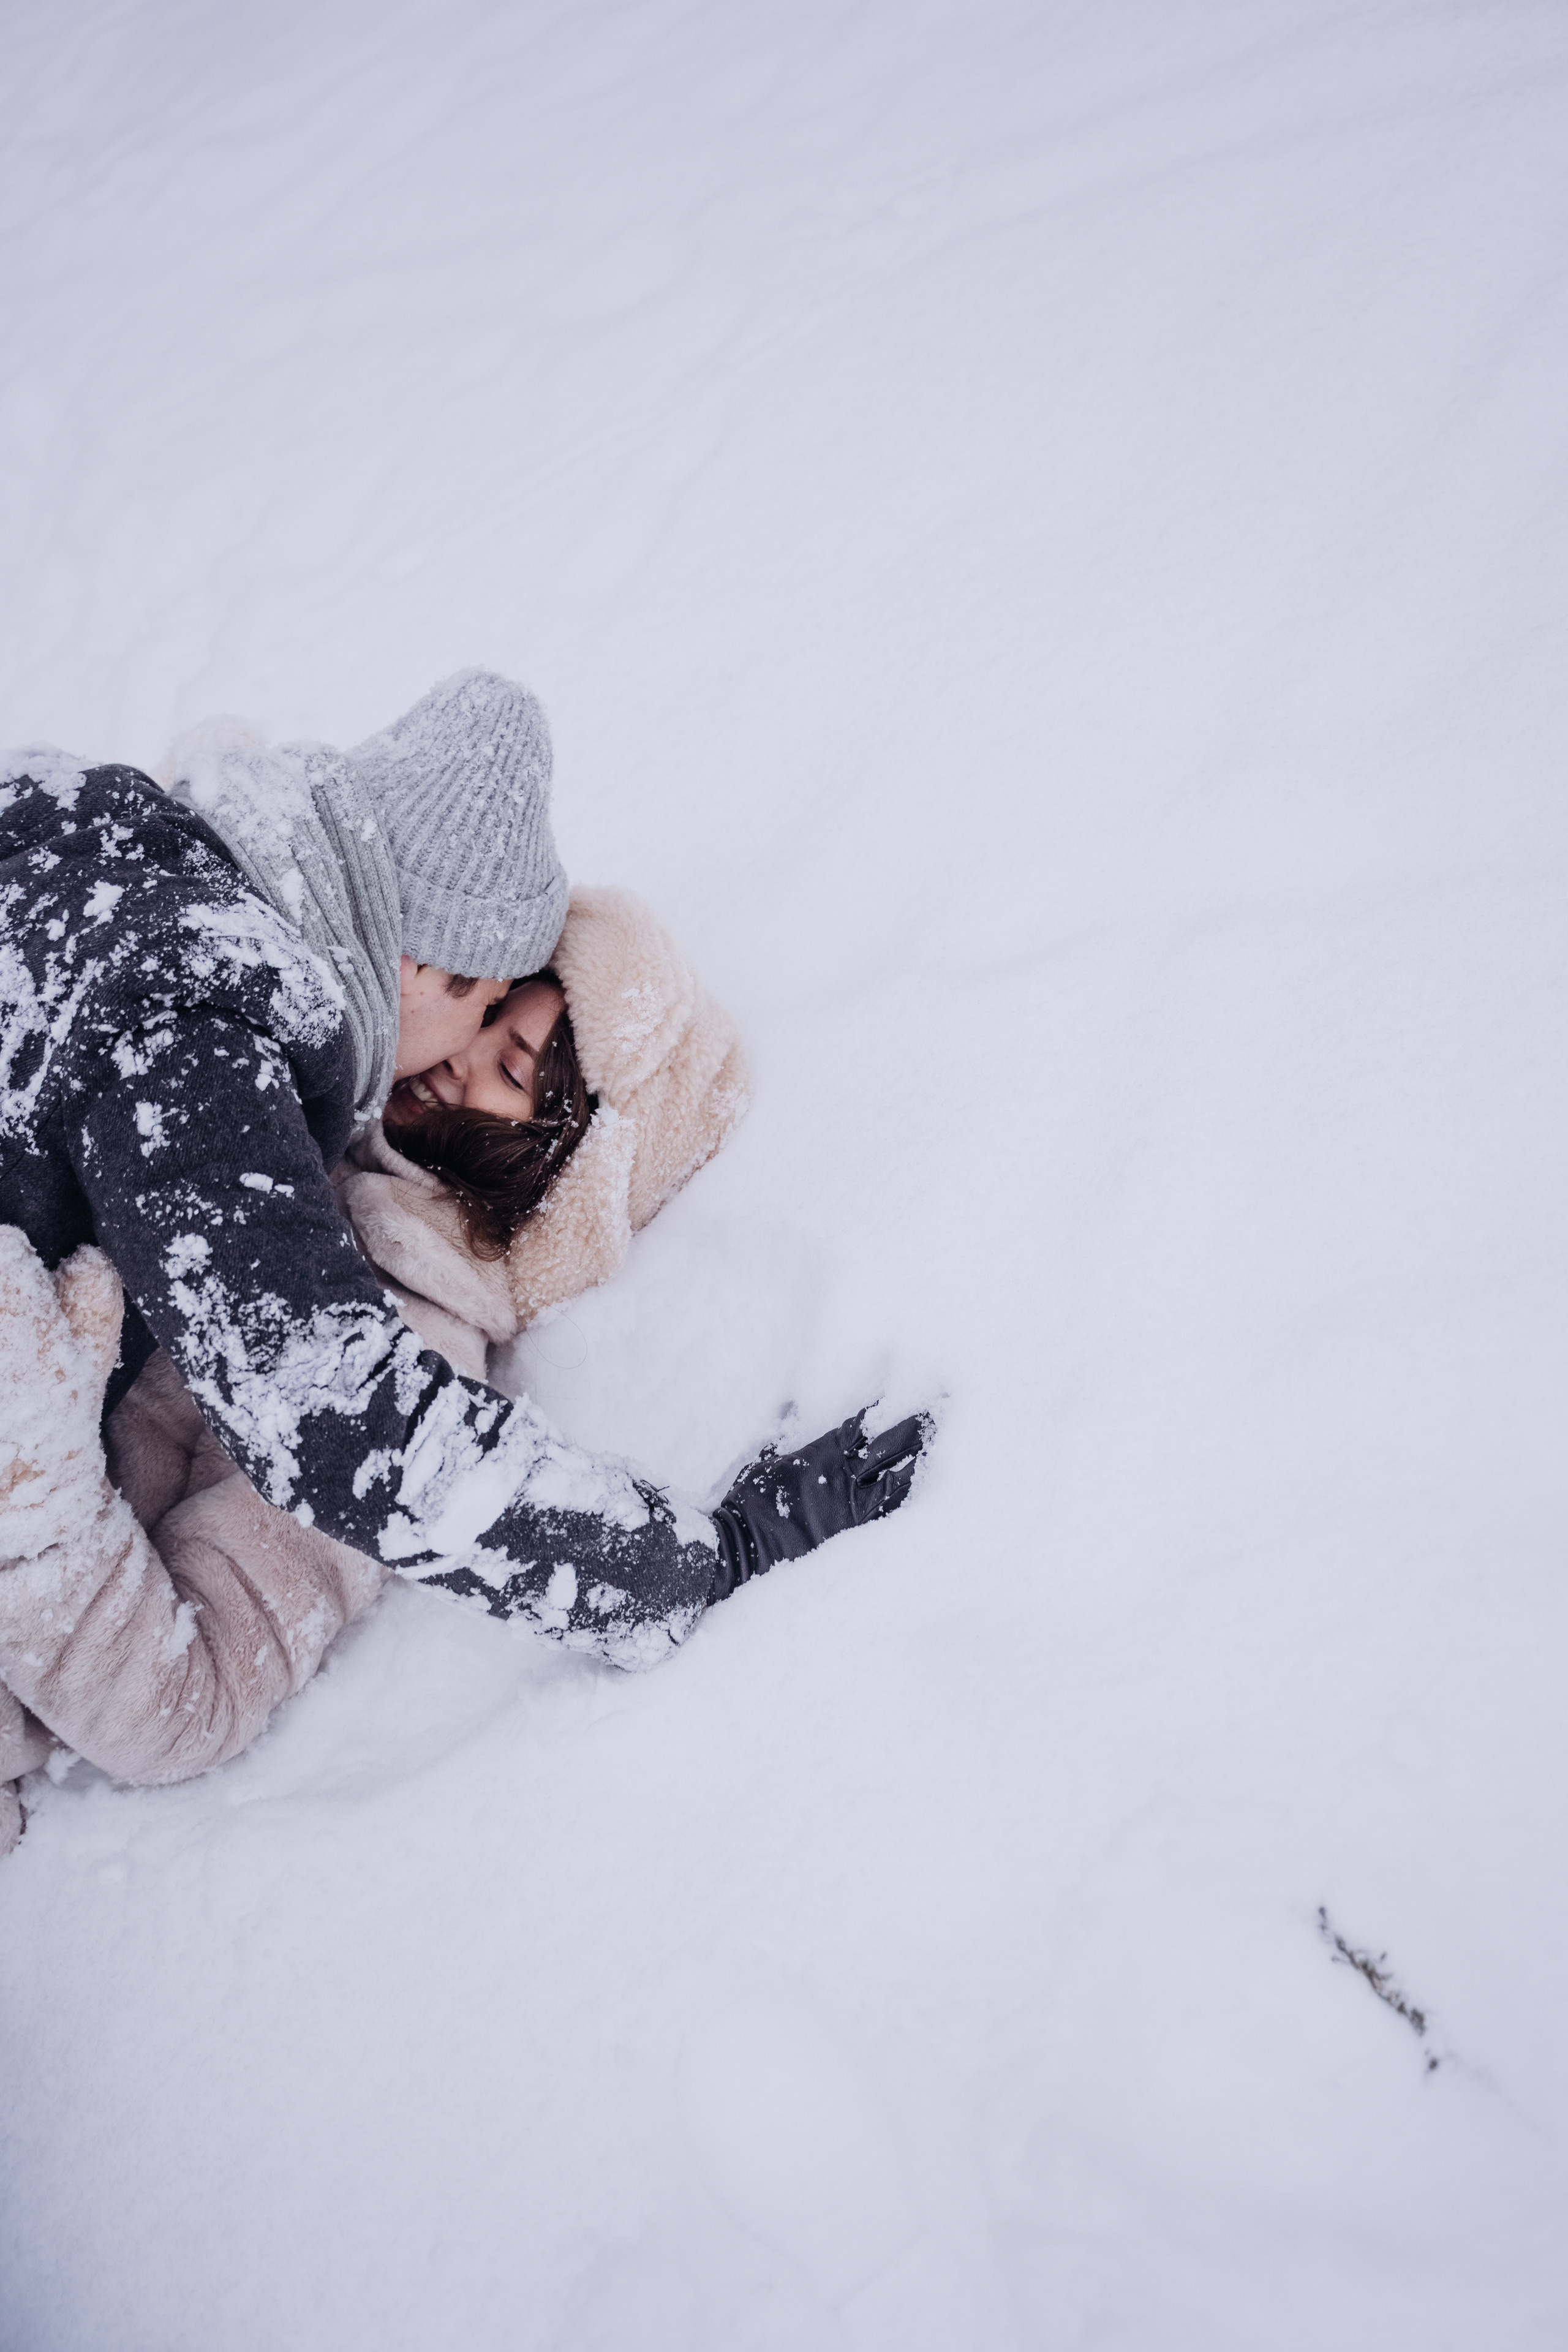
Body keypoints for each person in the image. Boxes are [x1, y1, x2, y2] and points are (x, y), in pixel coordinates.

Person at [0, 677, 929, 1830]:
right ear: (417, 961)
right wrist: (693, 1568)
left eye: (513, 1064)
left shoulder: (73, 818)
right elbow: (331, 1414)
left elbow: (323, 1446)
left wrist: (24, 1460)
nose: (450, 1062)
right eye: (491, 1005)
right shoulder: (194, 1020)